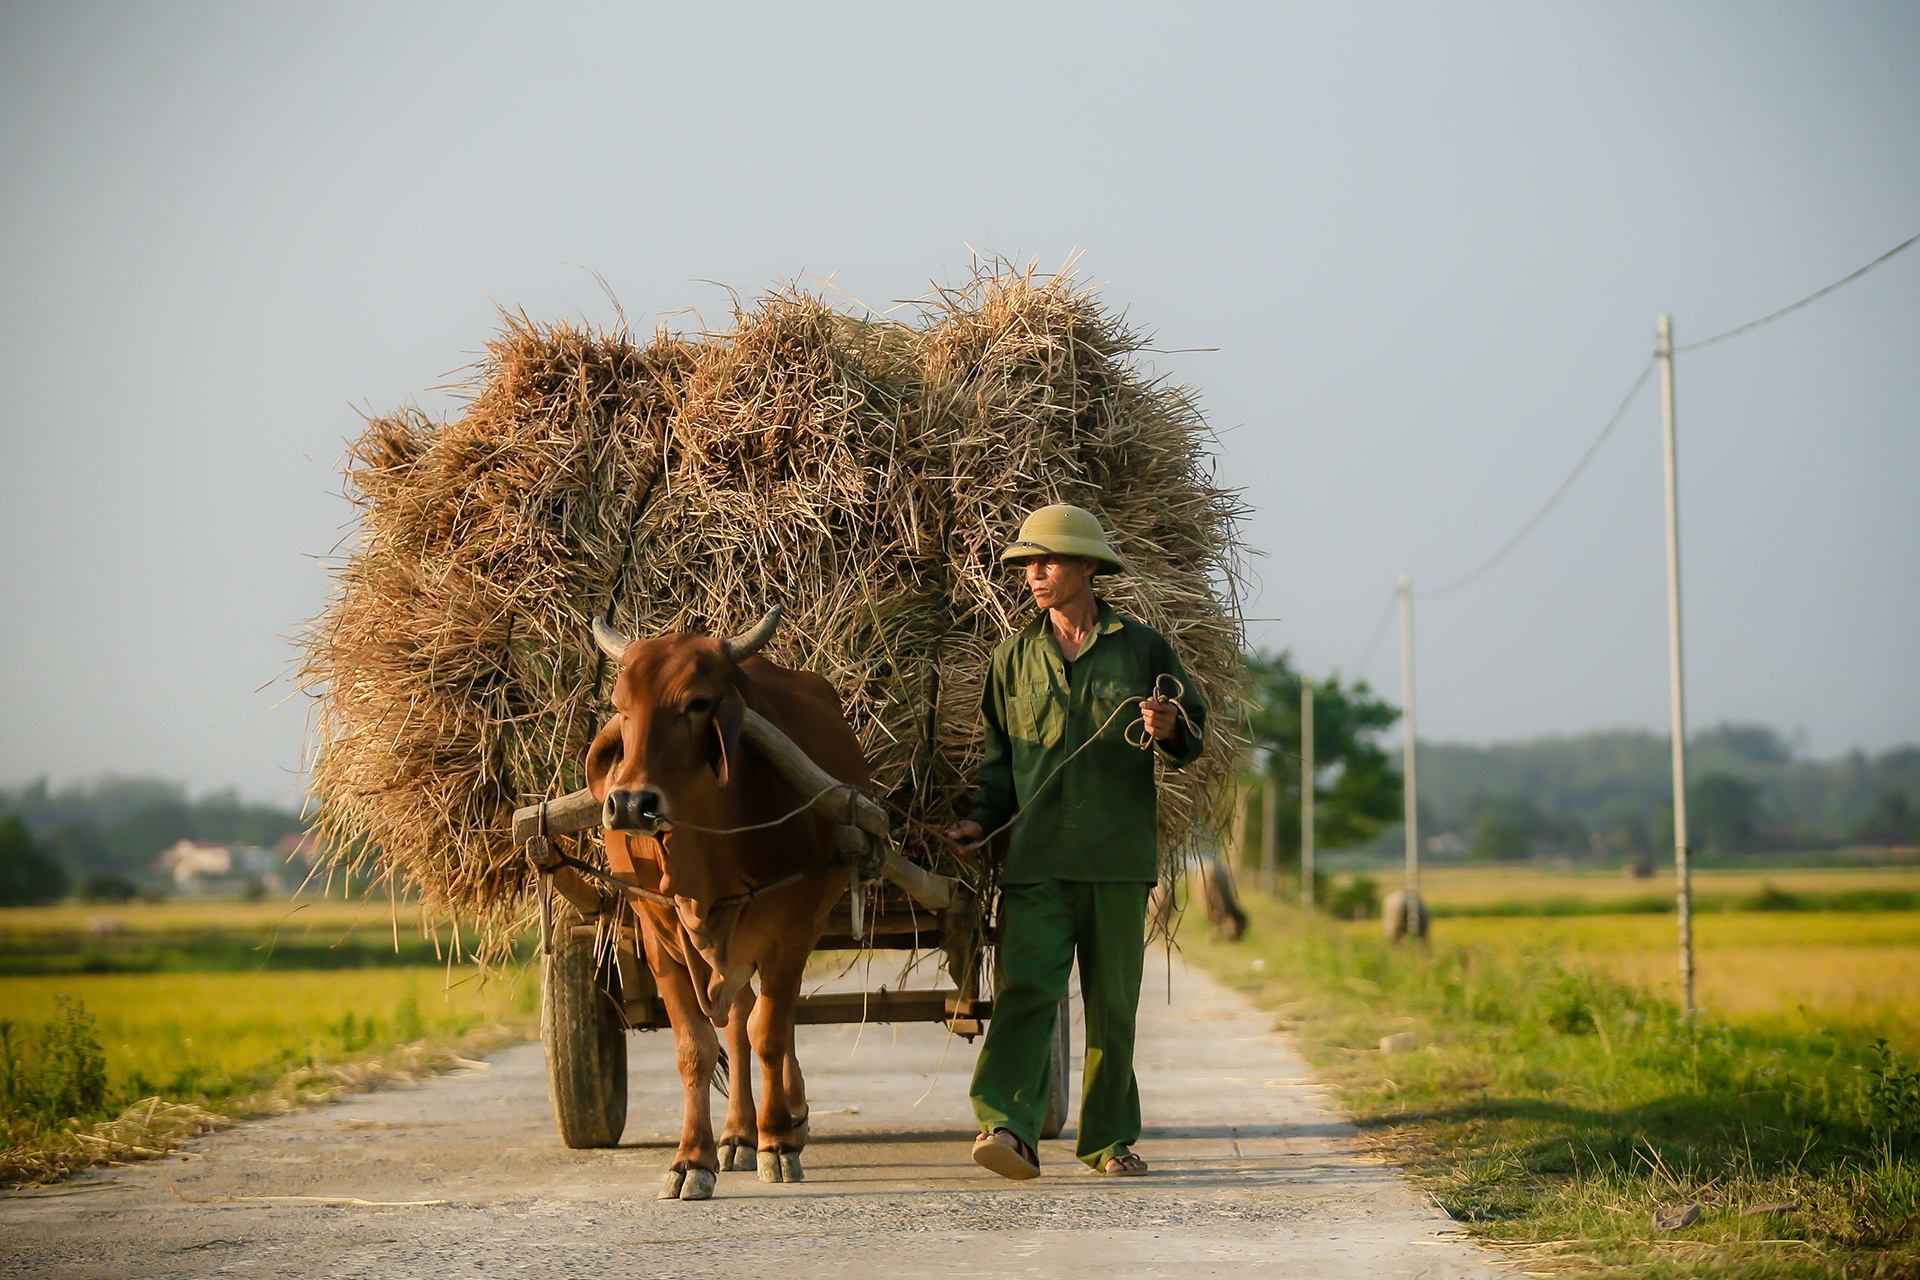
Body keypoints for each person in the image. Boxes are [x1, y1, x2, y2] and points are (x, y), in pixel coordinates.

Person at [945, 503, 1208, 1180]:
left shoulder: (1142, 647)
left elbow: (1192, 738)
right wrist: (980, 819)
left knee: (1114, 1004)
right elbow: (999, 766)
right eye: (1028, 564)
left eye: (1049, 561)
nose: (1034, 574)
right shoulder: (1013, 659)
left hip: (1116, 860)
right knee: (1028, 990)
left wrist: (1170, 724)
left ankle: (1109, 1141)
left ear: (1089, 567)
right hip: (1034, 859)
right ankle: (1007, 1127)